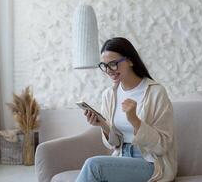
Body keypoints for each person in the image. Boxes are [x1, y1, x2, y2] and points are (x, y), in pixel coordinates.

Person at [75, 37, 177, 182]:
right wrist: (102, 125)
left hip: (151, 163)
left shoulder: (156, 92)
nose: (109, 70)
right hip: (121, 158)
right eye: (104, 65)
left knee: (94, 165)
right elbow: (115, 144)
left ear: (130, 60)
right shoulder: (109, 95)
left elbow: (163, 145)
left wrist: (135, 120)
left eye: (113, 64)